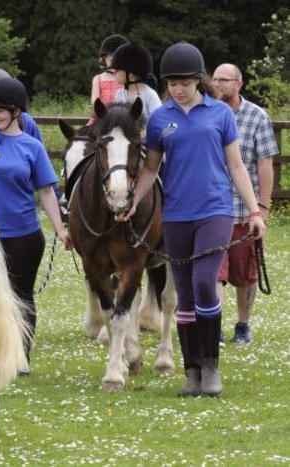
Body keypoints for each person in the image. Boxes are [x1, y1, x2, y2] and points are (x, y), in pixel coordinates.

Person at [116, 42, 266, 397]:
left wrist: (256, 211)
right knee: (183, 294)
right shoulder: (160, 120)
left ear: (198, 81)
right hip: (177, 214)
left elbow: (236, 166)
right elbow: (151, 168)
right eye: (172, 83)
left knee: (203, 282)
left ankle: (211, 367)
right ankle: (192, 372)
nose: (178, 89)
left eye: (184, 82)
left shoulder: (220, 115)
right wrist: (134, 201)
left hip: (215, 210)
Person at [0, 77, 71, 375]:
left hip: (24, 235)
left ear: (15, 112)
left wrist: (60, 229)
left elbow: (46, 191)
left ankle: (21, 357)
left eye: (0, 111)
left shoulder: (32, 147)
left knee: (21, 296)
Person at [212, 63, 278, 344]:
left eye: (224, 80)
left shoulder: (256, 117)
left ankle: (242, 324)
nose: (218, 85)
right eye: (214, 80)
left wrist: (262, 208)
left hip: (244, 210)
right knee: (214, 271)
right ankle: (212, 325)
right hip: (214, 209)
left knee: (245, 273)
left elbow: (265, 165)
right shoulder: (206, 114)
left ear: (239, 83)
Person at [110, 43, 162, 120]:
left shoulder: (150, 95)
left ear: (131, 75)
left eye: (117, 69)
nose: (113, 72)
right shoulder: (119, 94)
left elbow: (159, 121)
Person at [91, 34, 129, 106]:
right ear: (104, 59)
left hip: (123, 114)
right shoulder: (98, 79)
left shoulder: (127, 78)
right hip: (103, 115)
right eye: (111, 60)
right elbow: (95, 101)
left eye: (119, 60)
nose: (115, 64)